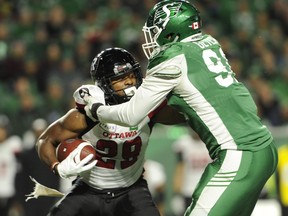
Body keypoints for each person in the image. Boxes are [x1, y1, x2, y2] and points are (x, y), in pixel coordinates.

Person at [83, 1, 279, 215]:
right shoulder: (208, 42)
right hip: (264, 149)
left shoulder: (171, 58)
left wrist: (96, 109)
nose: (152, 38)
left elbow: (130, 115)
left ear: (172, 31)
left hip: (238, 154)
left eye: (156, 31)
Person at [35, 47, 186, 216]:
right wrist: (57, 167)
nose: (129, 82)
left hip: (131, 190)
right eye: (120, 78)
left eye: (131, 75)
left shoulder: (150, 108)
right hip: (89, 189)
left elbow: (185, 116)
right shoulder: (86, 115)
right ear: (104, 84)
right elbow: (45, 140)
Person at [171, 127, 211, 216]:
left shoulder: (211, 142)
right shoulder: (184, 142)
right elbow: (179, 168)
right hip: (189, 190)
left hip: (208, 189)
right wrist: (177, 193)